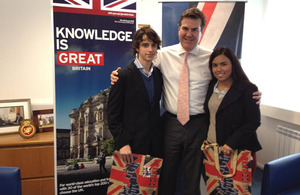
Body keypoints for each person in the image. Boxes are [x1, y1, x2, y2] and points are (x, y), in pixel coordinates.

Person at [110, 8, 261, 195]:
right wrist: (117, 75)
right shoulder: (162, 55)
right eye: (185, 28)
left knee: (193, 173)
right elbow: (139, 69)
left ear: (201, 31)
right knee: (166, 171)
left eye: (195, 29)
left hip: (199, 124)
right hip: (170, 122)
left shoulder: (210, 58)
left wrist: (252, 93)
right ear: (178, 29)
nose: (189, 34)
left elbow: (229, 79)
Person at [107, 27, 164, 164]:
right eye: (145, 45)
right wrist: (122, 143)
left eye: (153, 45)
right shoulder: (123, 75)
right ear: (137, 48)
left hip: (155, 145)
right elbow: (112, 115)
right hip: (131, 147)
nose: (150, 49)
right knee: (131, 185)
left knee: (152, 185)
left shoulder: (158, 75)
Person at [204, 46, 262, 174]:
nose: (219, 69)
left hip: (237, 149)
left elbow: (253, 122)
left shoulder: (248, 89)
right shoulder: (211, 86)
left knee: (236, 191)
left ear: (233, 65)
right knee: (215, 188)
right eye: (215, 65)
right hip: (213, 148)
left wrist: (231, 143)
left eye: (223, 64)